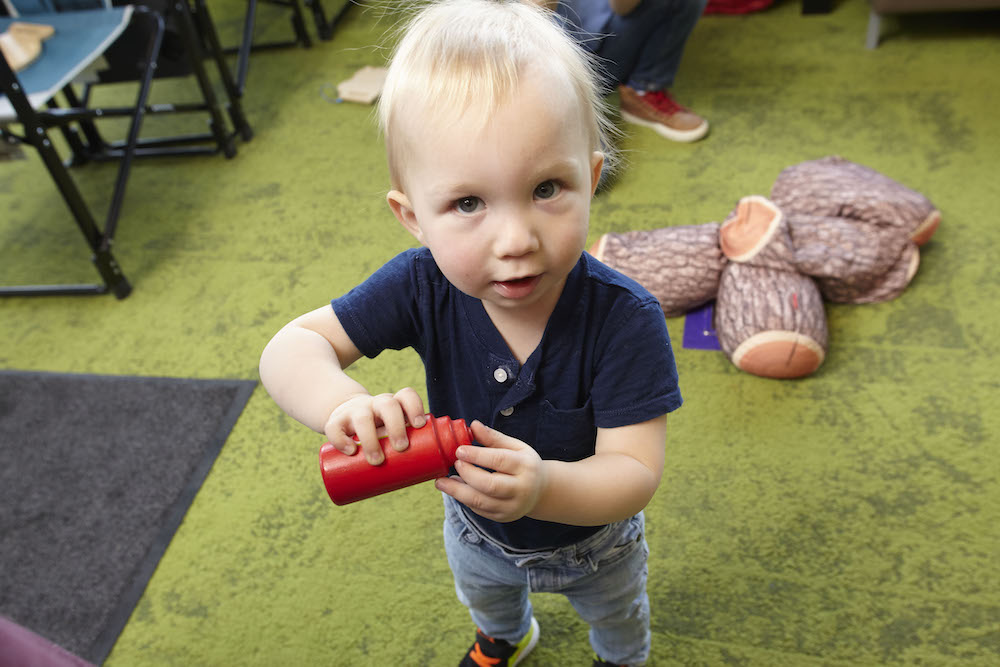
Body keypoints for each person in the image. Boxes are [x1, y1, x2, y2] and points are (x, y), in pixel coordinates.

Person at [259, 1, 682, 665]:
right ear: (413, 216)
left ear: (592, 179)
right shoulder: (422, 284)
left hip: (594, 544)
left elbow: (633, 471)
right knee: (485, 596)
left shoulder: (625, 317)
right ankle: (506, 636)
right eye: (467, 203)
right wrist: (341, 404)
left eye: (548, 187)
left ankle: (620, 657)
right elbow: (291, 349)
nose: (515, 240)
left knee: (619, 618)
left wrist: (544, 487)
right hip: (478, 532)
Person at [548, 0, 709, 142]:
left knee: (592, 164)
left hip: (601, 52)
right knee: (591, 166)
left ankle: (643, 88)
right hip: (557, 66)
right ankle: (569, 114)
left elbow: (622, 8)